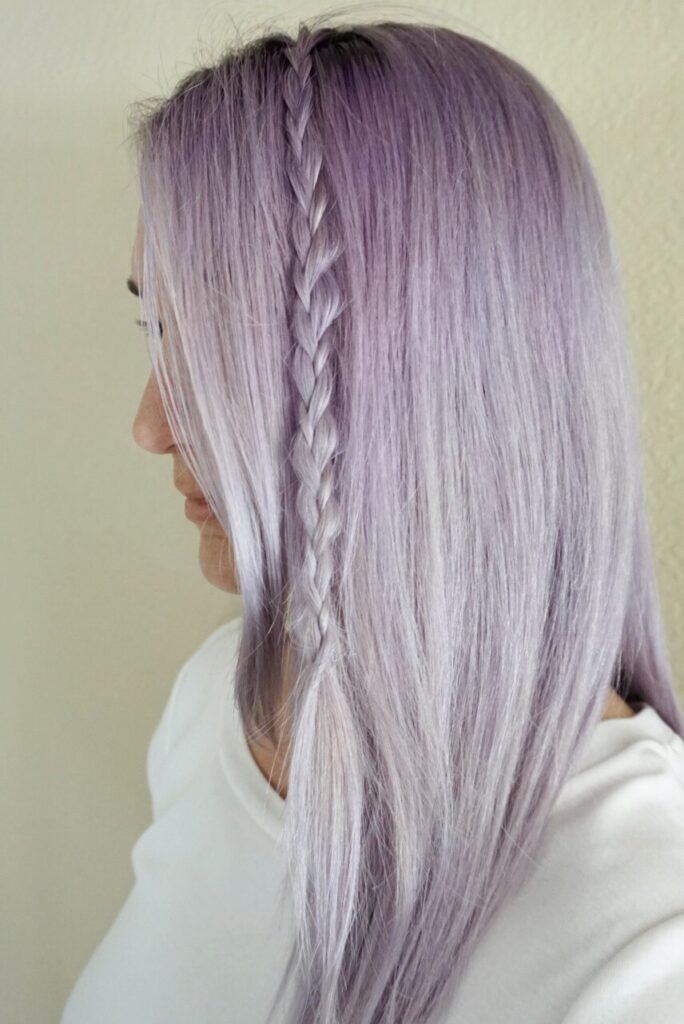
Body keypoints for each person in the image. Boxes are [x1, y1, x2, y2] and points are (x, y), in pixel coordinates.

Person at [61, 17, 684, 1024]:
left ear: (434, 370)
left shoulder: (646, 939)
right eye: (157, 330)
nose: (148, 425)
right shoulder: (220, 706)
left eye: (222, 343)